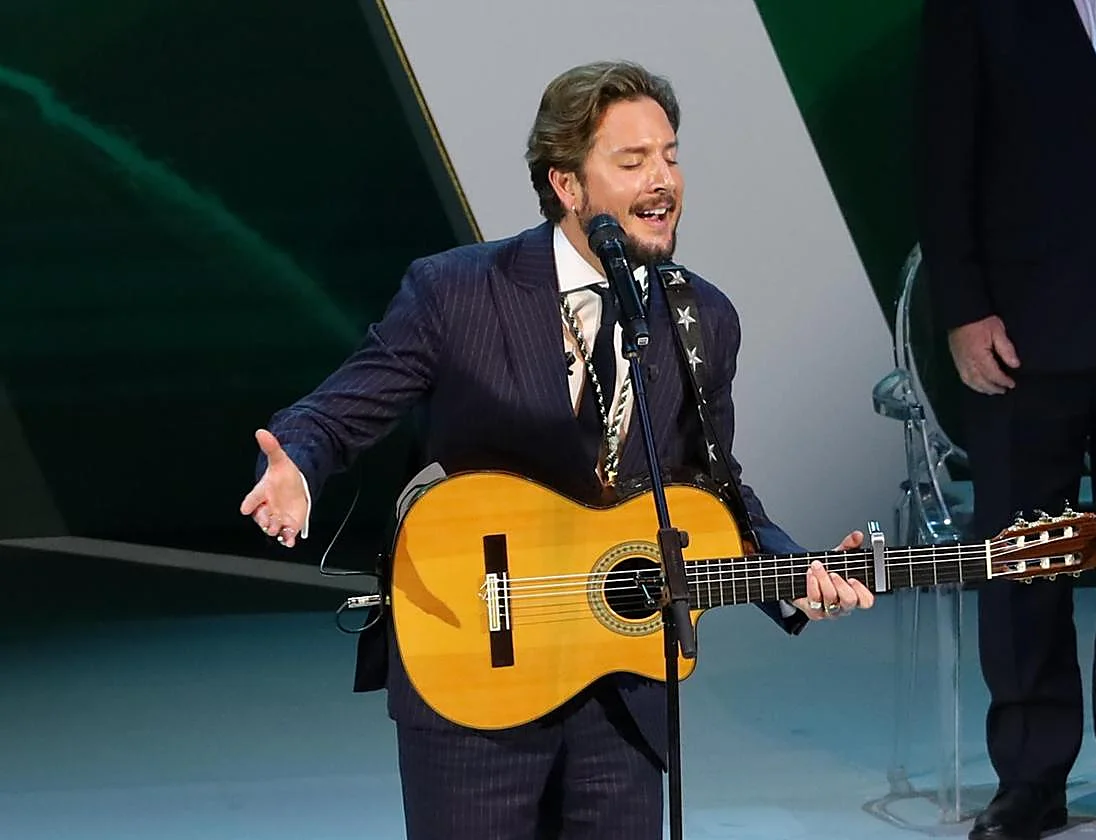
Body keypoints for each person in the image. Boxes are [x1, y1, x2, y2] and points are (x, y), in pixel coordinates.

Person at [238, 61, 875, 839]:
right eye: (633, 161)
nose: (663, 180)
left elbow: (715, 483)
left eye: (670, 156)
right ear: (567, 185)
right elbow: (335, 413)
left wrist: (791, 570)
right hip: (474, 668)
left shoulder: (701, 317)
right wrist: (296, 466)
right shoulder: (457, 292)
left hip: (621, 690)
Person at [917, 2, 1096, 838]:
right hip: (1023, 329)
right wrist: (963, 309)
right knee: (1026, 556)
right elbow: (942, 155)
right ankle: (1031, 774)